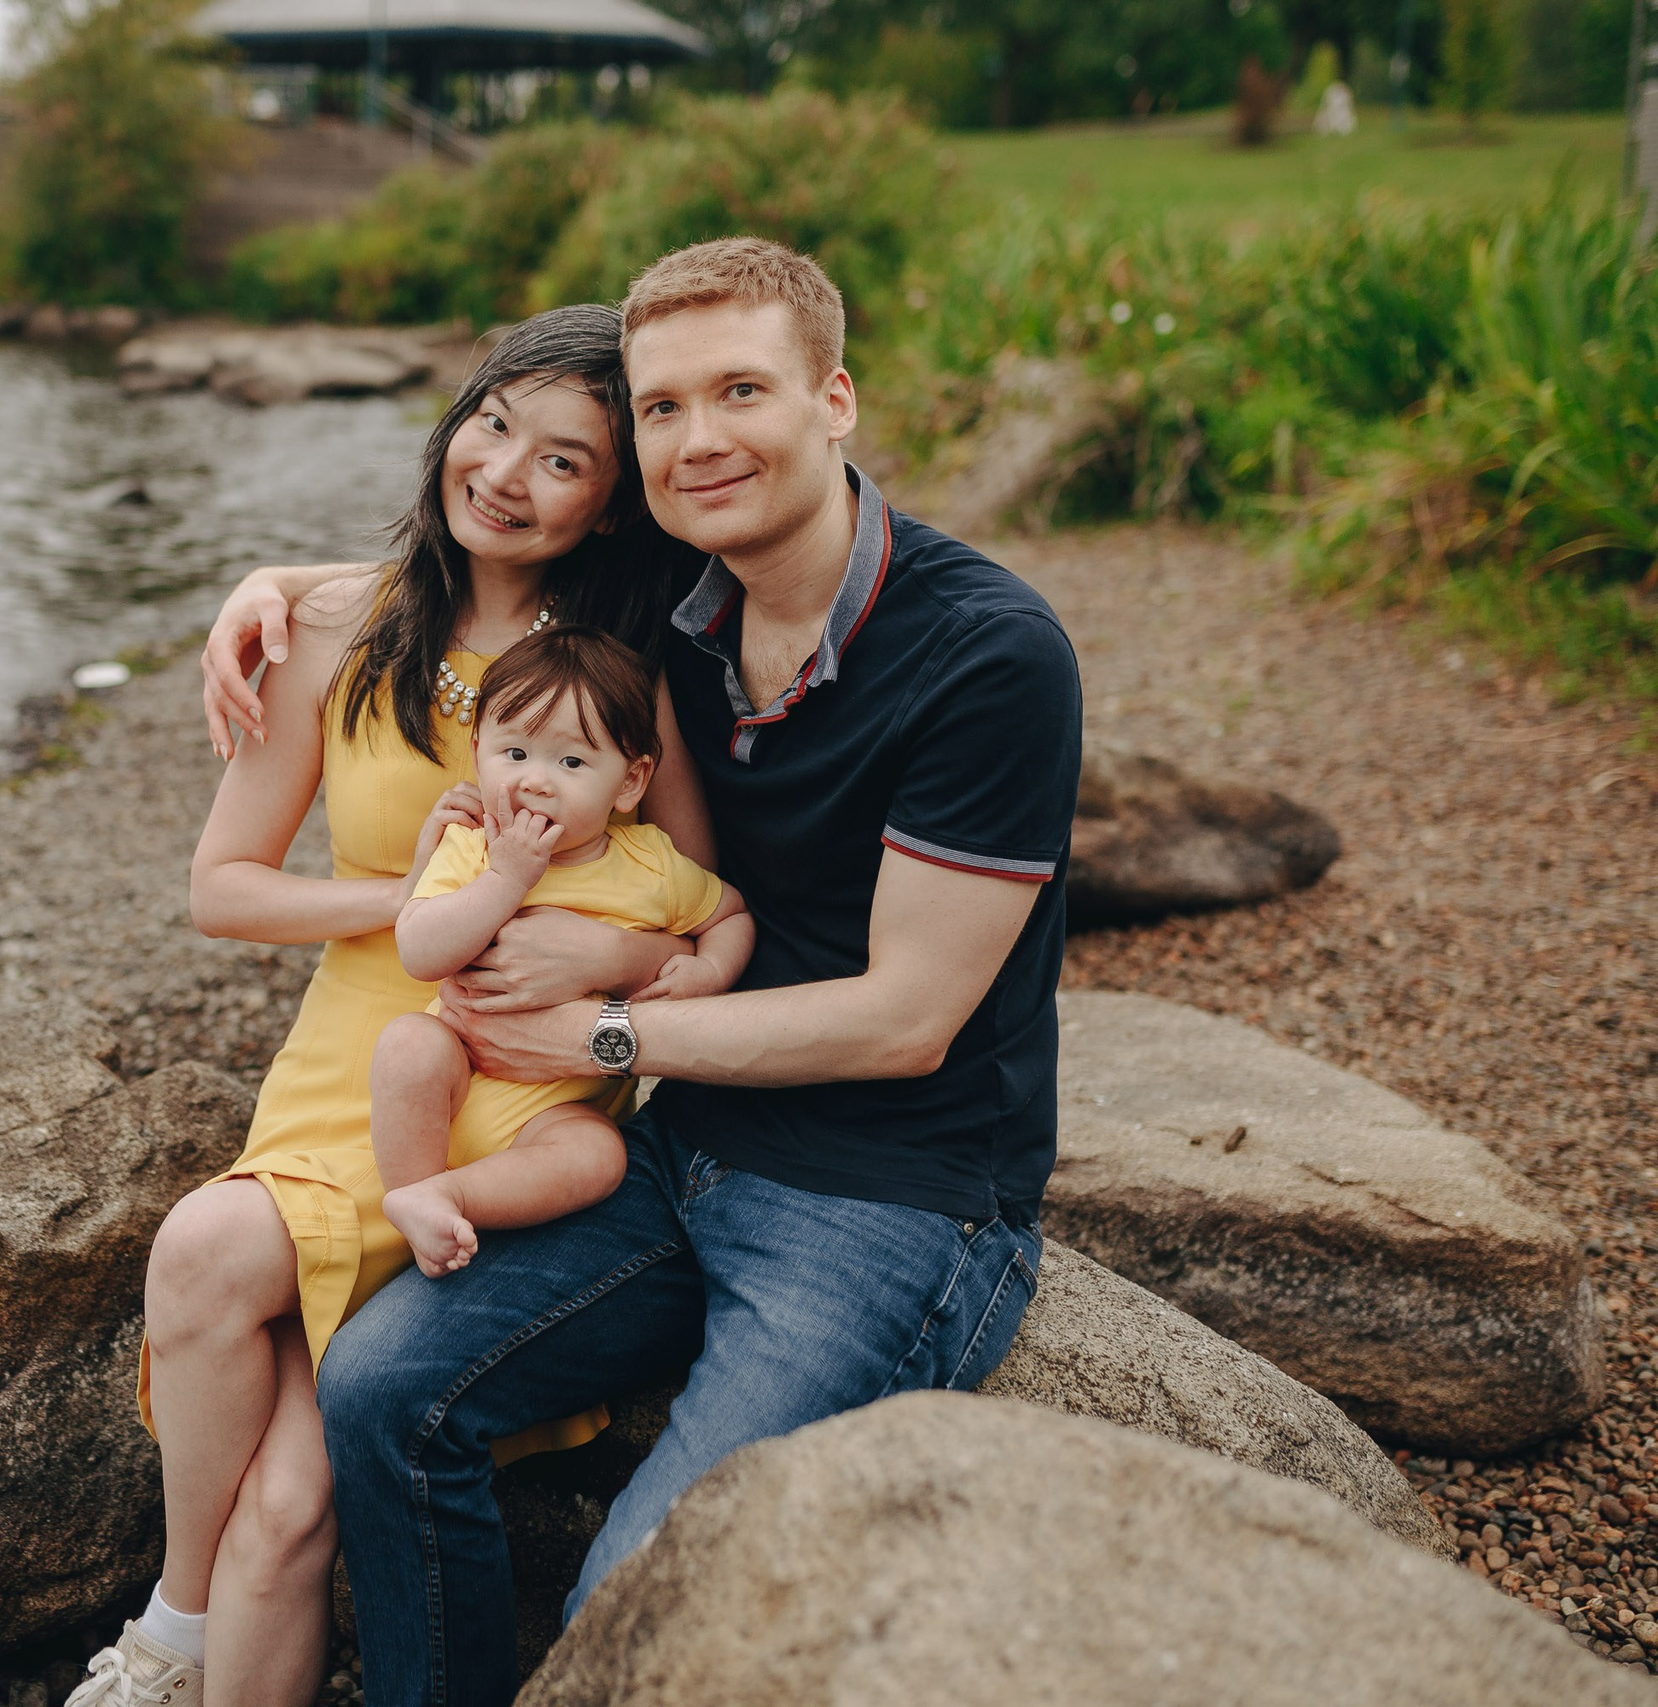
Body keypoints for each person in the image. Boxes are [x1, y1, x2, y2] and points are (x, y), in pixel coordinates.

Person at [200, 236, 1084, 1707]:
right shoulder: (681, 605)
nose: (698, 438)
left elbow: (909, 1020)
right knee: (378, 1390)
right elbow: (487, 532)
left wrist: (597, 1032)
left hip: (890, 1195)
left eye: (741, 390)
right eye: (664, 410)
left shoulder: (987, 655)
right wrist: (269, 581)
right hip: (690, 1151)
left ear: (837, 400)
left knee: (638, 1595)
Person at [67, 304, 717, 1707]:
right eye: (492, 422)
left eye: (563, 460)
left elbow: (696, 899)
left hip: (516, 1073)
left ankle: (173, 1639)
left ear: (610, 507)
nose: (503, 470)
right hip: (357, 1055)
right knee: (227, 1322)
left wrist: (587, 962)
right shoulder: (325, 626)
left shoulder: (616, 671)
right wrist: (417, 899)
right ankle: (173, 1629)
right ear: (455, 415)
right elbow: (223, 888)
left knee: (297, 1494)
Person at [374, 625, 751, 1279]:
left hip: (556, 1112)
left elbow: (730, 914)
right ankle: (414, 1192)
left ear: (630, 782)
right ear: (477, 751)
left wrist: (709, 969)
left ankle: (448, 1199)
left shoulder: (650, 865)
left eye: (572, 763)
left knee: (603, 1156)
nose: (536, 782)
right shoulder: (472, 850)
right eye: (514, 752)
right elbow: (418, 949)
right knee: (407, 1045)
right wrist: (505, 881)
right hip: (457, 1076)